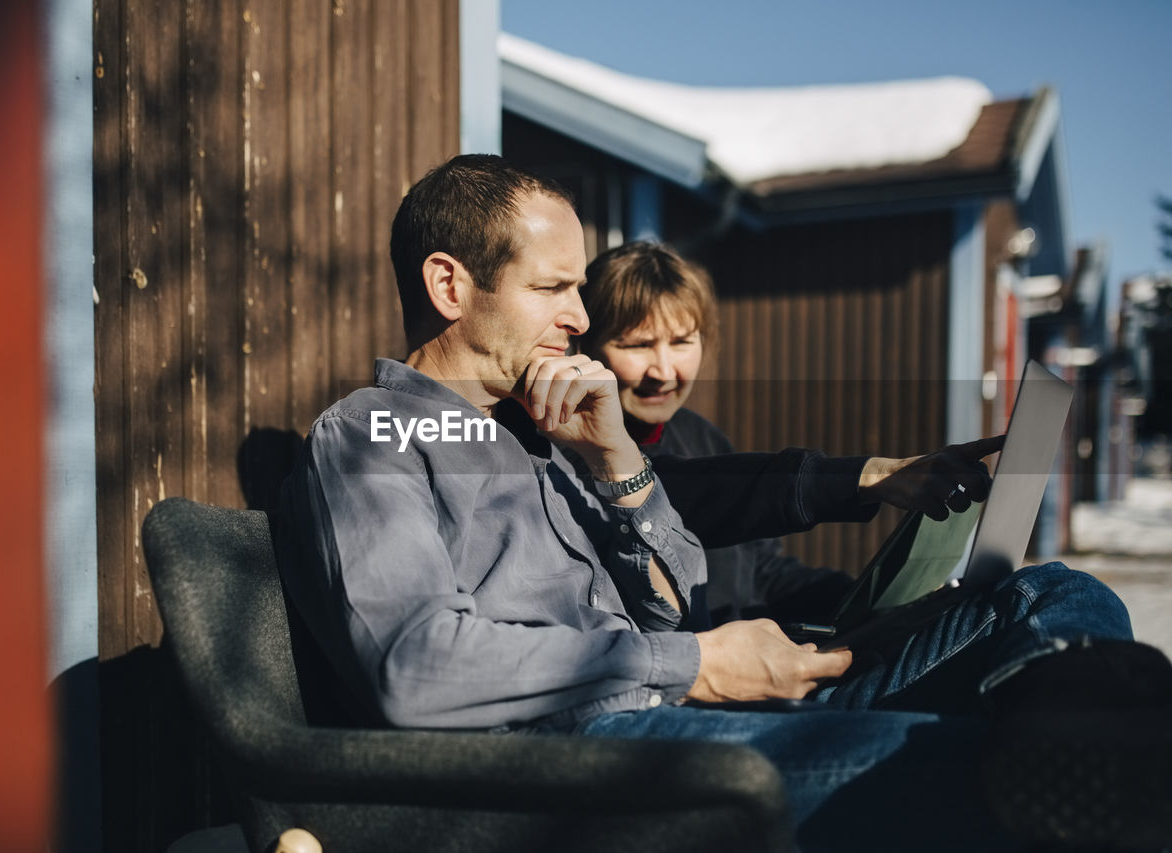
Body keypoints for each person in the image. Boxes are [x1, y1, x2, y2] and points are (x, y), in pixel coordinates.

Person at [277, 154, 1170, 851]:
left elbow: (678, 597)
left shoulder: (539, 439)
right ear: (449, 286)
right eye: (552, 287)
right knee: (982, 770)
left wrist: (620, 460)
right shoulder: (374, 435)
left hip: (689, 721)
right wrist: (689, 666)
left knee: (1043, 598)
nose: (579, 317)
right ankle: (1104, 760)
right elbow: (418, 667)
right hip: (581, 769)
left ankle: (1094, 728)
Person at [577, 241, 853, 628]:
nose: (664, 372)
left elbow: (762, 573)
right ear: (585, 345)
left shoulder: (701, 435)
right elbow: (685, 491)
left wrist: (862, 597)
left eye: (681, 342)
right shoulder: (575, 455)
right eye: (638, 345)